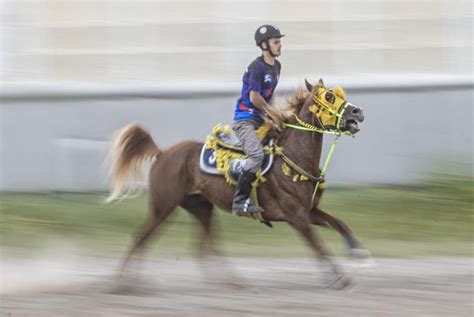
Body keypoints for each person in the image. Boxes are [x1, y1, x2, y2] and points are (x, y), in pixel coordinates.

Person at [232, 25, 285, 215]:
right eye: (276, 42)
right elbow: (255, 97)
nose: (280, 45)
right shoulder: (256, 67)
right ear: (264, 45)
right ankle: (239, 201)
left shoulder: (277, 66)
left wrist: (276, 116)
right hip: (245, 121)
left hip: (261, 119)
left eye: (280, 42)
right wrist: (273, 112)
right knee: (256, 155)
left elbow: (269, 95)